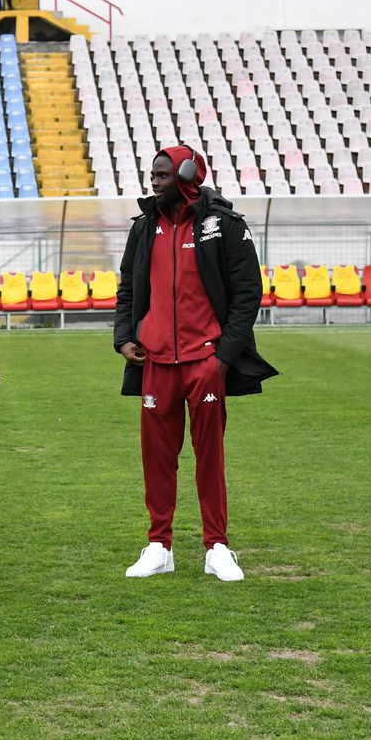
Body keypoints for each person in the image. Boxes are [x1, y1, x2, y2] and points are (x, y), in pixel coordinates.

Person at [114, 146, 278, 583]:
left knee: (209, 457)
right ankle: (159, 546)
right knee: (157, 458)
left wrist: (223, 358)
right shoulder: (144, 227)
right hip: (156, 363)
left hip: (205, 363)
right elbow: (127, 288)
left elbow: (248, 294)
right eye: (153, 174)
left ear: (188, 176)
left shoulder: (223, 225)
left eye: (163, 175)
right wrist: (124, 339)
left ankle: (216, 547)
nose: (154, 181)